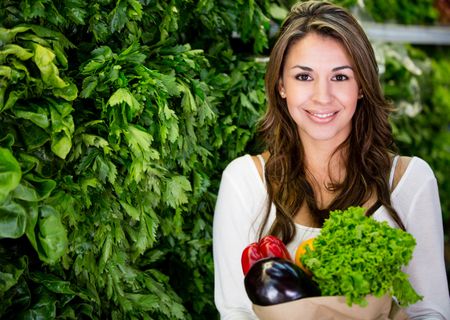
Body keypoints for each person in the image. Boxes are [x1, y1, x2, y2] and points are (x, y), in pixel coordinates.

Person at [212, 1, 450, 319]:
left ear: (362, 86)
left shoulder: (410, 181)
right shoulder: (245, 182)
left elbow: (430, 311)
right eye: (303, 77)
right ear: (281, 85)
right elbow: (235, 312)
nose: (322, 96)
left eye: (340, 77)